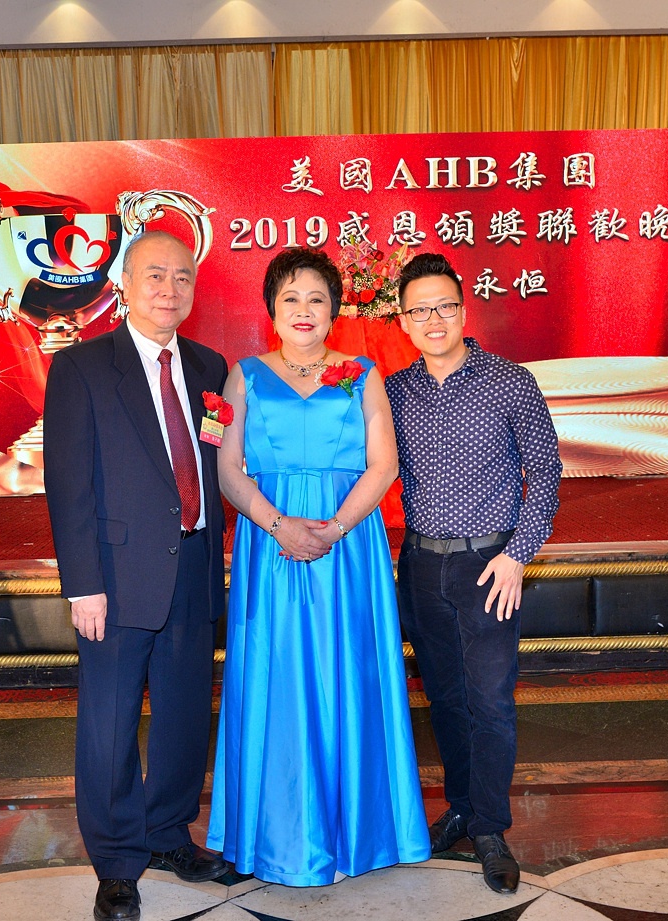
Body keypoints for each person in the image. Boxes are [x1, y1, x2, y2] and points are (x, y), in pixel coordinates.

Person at [207, 248, 430, 886]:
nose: (303, 311)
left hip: (347, 546)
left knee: (349, 674)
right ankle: (276, 836)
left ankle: (360, 832)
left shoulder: (363, 374)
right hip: (270, 543)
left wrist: (332, 529)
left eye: (316, 300)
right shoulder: (241, 377)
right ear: (271, 310)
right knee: (276, 676)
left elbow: (384, 465)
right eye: (290, 299)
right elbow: (226, 470)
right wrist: (279, 524)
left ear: (334, 311)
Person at [44, 231, 230, 921]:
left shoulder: (209, 366)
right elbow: (69, 485)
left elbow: (213, 462)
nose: (169, 289)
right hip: (116, 578)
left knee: (184, 715)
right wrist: (82, 583)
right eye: (155, 275)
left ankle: (168, 832)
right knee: (111, 723)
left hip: (194, 568)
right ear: (124, 283)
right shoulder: (83, 368)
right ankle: (118, 861)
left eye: (182, 277)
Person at [386, 252, 562, 895]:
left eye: (445, 307)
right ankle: (460, 808)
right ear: (402, 320)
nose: (433, 320)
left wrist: (518, 555)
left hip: (490, 566)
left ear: (464, 311)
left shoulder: (511, 382)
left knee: (490, 702)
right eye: (420, 310)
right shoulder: (393, 391)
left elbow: (546, 473)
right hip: (421, 566)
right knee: (446, 699)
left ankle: (489, 827)